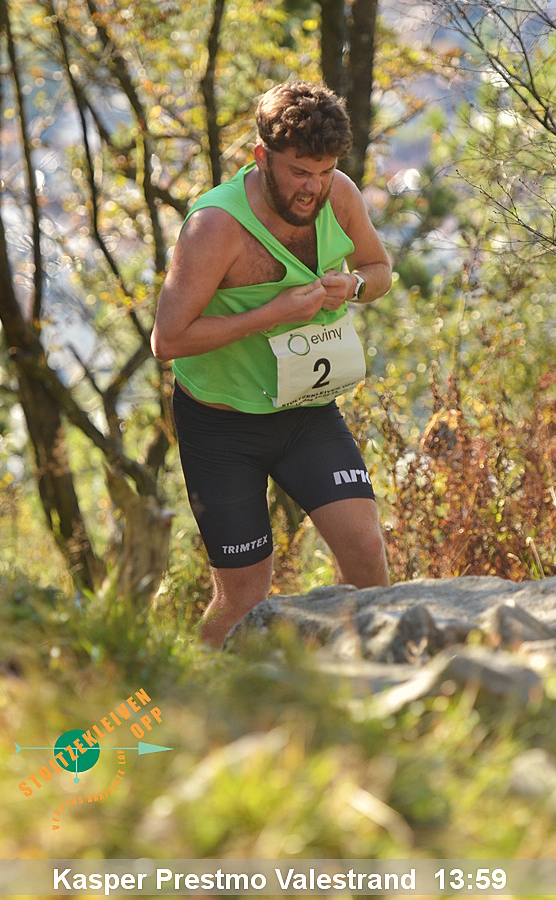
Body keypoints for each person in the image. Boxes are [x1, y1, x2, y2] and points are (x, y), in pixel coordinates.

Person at [151, 80, 392, 646]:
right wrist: (272, 314)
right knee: (243, 596)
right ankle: (176, 687)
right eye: (300, 172)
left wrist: (353, 286)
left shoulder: (339, 195)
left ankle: (361, 680)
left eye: (325, 171)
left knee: (366, 553)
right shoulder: (215, 226)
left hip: (306, 410)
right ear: (262, 157)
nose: (314, 188)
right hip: (222, 427)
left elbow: (379, 270)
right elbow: (167, 340)